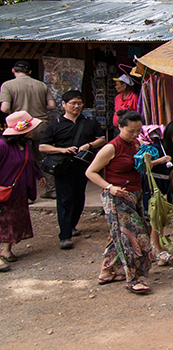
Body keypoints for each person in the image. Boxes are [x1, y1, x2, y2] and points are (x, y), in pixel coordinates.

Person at [86, 110, 153, 294]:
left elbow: (141, 165)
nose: (134, 134)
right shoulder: (111, 147)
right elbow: (90, 172)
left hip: (135, 195)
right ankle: (133, 278)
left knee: (117, 235)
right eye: (130, 131)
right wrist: (109, 187)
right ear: (120, 127)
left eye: (138, 130)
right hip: (117, 198)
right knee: (132, 237)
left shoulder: (137, 144)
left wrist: (156, 160)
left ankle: (106, 272)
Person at [38, 90, 105, 250]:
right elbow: (42, 147)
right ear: (63, 104)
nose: (76, 106)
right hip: (63, 168)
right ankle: (65, 235)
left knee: (78, 197)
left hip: (83, 166)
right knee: (64, 199)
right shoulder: (55, 124)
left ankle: (72, 225)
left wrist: (89, 145)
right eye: (72, 103)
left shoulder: (89, 121)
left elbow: (101, 139)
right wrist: (62, 150)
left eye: (79, 103)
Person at [0, 60, 57, 199]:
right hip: (40, 124)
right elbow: (52, 105)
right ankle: (52, 190)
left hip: (19, 128)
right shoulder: (41, 85)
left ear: (13, 70)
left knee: (21, 159)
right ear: (30, 72)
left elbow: (5, 108)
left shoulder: (8, 85)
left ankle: (25, 193)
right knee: (43, 158)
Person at [0, 111, 46, 271]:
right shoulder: (2, 146)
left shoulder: (25, 144)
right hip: (4, 191)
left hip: (18, 191)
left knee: (13, 221)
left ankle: (6, 250)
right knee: (3, 222)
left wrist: (38, 175)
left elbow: (29, 163)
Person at [144, 121, 173, 266]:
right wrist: (159, 161)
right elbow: (144, 166)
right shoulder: (156, 148)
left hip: (165, 186)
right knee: (155, 218)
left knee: (161, 219)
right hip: (153, 186)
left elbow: (172, 173)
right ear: (169, 134)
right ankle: (159, 250)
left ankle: (156, 249)